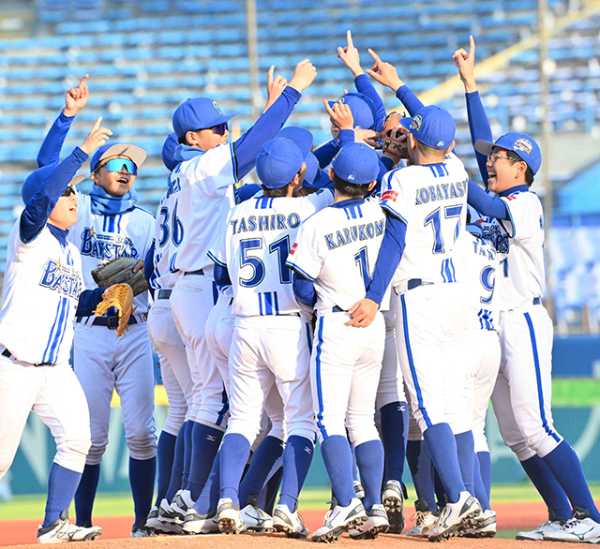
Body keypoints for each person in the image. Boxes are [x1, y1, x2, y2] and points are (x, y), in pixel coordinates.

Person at [455, 35, 600, 544]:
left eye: (502, 158)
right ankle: (562, 515)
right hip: (492, 325)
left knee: (537, 425)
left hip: (523, 319)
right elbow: (481, 148)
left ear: (522, 167)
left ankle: (590, 517)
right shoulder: (498, 188)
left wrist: (445, 170)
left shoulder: (525, 202)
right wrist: (470, 86)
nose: (491, 162)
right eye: (492, 157)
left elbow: (491, 206)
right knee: (517, 437)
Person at [164, 59, 317, 522]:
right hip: (211, 294)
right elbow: (252, 151)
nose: (224, 132)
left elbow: (254, 154)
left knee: (210, 403)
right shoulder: (206, 167)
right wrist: (292, 93)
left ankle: (189, 497)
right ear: (193, 138)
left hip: (197, 292)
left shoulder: (188, 174)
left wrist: (269, 109)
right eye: (216, 129)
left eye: (225, 125)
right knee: (225, 405)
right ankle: (196, 498)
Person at [346, 48, 482, 541]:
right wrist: (398, 84)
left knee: (426, 407)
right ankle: (471, 499)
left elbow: (395, 241)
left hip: (418, 297)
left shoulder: (402, 178)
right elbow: (434, 129)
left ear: (415, 140)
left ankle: (459, 499)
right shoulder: (459, 171)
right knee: (452, 406)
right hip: (457, 297)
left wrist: (371, 295)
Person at [36, 77, 158, 537]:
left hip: (135, 330)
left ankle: (143, 524)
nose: (127, 171)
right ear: (94, 174)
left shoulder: (146, 222)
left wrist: (143, 279)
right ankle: (83, 522)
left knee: (142, 433)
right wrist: (69, 120)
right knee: (91, 438)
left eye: (133, 167)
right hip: (87, 332)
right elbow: (47, 170)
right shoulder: (78, 208)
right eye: (117, 164)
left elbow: (156, 274)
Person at [209, 136, 333, 537]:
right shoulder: (307, 206)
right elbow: (339, 185)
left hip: (244, 323)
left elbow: (221, 271)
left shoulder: (236, 212)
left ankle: (228, 500)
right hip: (287, 324)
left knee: (243, 420)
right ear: (297, 176)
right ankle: (286, 506)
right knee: (301, 422)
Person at [0, 108, 111, 543]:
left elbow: (74, 301)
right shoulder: (29, 235)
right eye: (66, 192)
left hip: (55, 370)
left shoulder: (69, 250)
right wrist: (79, 144)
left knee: (79, 440)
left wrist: (103, 298)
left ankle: (53, 524)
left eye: (75, 191)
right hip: (14, 366)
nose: (73, 196)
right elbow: (44, 188)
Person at [288, 143, 390, 542]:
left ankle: (346, 503)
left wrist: (314, 301)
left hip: (336, 320)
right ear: (372, 183)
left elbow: (300, 285)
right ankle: (375, 506)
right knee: (362, 419)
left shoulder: (318, 222)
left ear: (331, 176)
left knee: (329, 420)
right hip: (373, 318)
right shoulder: (381, 211)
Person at [144, 133, 192, 535]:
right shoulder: (198, 189)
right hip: (184, 302)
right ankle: (181, 501)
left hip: (160, 305)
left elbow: (147, 264)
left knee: (179, 410)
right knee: (203, 407)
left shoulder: (167, 198)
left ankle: (164, 501)